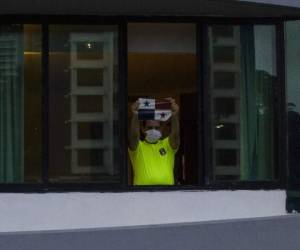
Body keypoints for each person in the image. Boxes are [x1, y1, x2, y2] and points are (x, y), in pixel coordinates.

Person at [128, 97, 180, 185]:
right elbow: (134, 136)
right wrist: (136, 114)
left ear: (162, 129)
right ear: (143, 129)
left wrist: (174, 115)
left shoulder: (167, 144)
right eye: (150, 128)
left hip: (167, 193)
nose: (153, 130)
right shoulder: (138, 147)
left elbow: (175, 135)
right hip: (142, 194)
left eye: (157, 128)